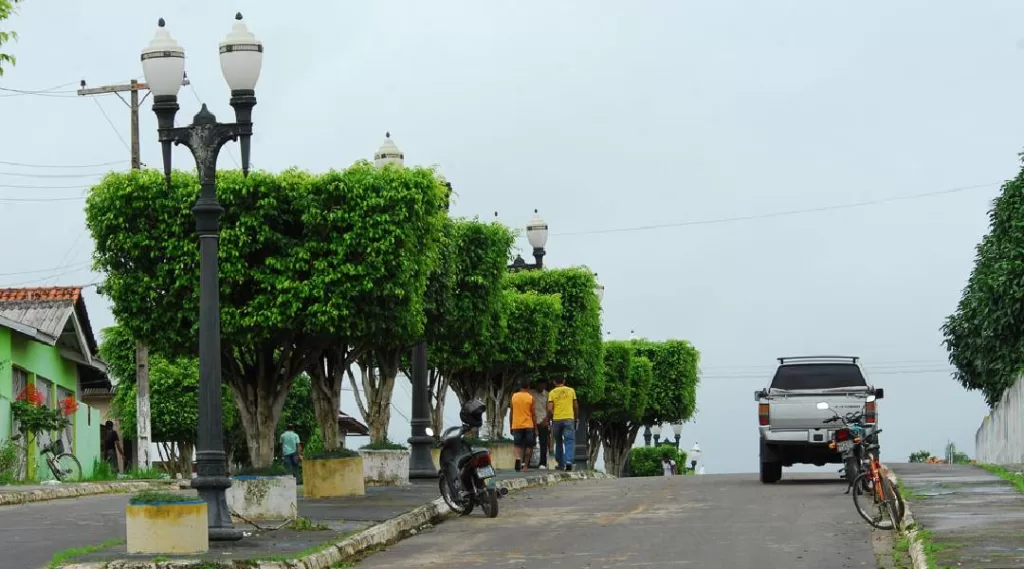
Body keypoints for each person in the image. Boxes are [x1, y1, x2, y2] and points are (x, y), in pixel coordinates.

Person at [547, 377, 578, 471]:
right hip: (569, 418)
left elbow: (549, 408)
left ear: (554, 381)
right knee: (569, 441)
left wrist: (550, 418)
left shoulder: (552, 393)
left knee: (558, 441)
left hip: (557, 419)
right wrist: (576, 418)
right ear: (564, 381)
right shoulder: (571, 391)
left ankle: (560, 463)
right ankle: (568, 462)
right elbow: (575, 406)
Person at [509, 378, 537, 472]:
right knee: (529, 446)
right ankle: (525, 466)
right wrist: (536, 428)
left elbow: (511, 412)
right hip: (529, 425)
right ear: (528, 387)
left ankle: (517, 458)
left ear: (520, 386)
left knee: (517, 445)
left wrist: (510, 425)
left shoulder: (514, 397)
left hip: (516, 424)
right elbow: (533, 414)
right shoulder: (530, 398)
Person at [529, 379, 550, 469]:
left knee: (543, 443)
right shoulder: (530, 393)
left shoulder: (547, 394)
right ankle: (526, 462)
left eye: (544, 385)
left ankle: (543, 463)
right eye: (540, 385)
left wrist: (547, 420)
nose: (542, 387)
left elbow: (549, 409)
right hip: (531, 421)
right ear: (537, 384)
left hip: (543, 422)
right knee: (529, 443)